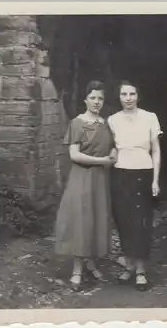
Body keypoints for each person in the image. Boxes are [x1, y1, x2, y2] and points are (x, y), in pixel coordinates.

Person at [54, 80, 117, 291]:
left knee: (96, 220)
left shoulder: (106, 123)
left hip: (100, 180)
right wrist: (103, 162)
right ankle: (77, 270)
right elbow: (74, 155)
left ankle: (91, 263)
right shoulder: (77, 123)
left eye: (100, 98)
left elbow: (114, 147)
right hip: (82, 178)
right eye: (93, 98)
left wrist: (113, 154)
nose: (96, 102)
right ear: (85, 100)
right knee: (81, 221)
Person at [108, 80, 162, 291]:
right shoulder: (112, 120)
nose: (128, 98)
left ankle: (140, 270)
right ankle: (128, 266)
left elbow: (156, 150)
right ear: (119, 97)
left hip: (143, 173)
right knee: (123, 220)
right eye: (124, 94)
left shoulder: (150, 118)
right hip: (120, 174)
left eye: (132, 94)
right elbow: (111, 148)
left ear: (138, 96)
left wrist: (156, 180)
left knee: (141, 222)